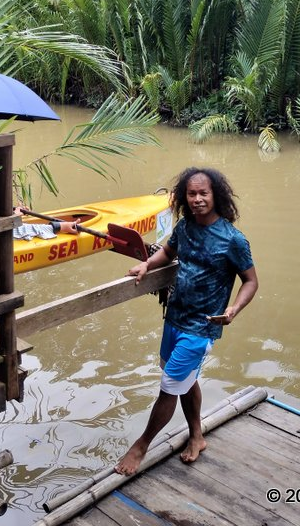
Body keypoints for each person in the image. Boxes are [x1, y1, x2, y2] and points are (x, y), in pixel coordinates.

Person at [114, 167, 259, 476]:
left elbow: (250, 281)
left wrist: (234, 309)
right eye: (191, 194)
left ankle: (141, 445)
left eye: (203, 193)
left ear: (216, 196)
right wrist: (146, 266)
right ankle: (196, 435)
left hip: (201, 326)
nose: (197, 199)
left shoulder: (233, 240)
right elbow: (168, 252)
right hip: (175, 317)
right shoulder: (185, 227)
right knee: (185, 380)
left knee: (169, 387)